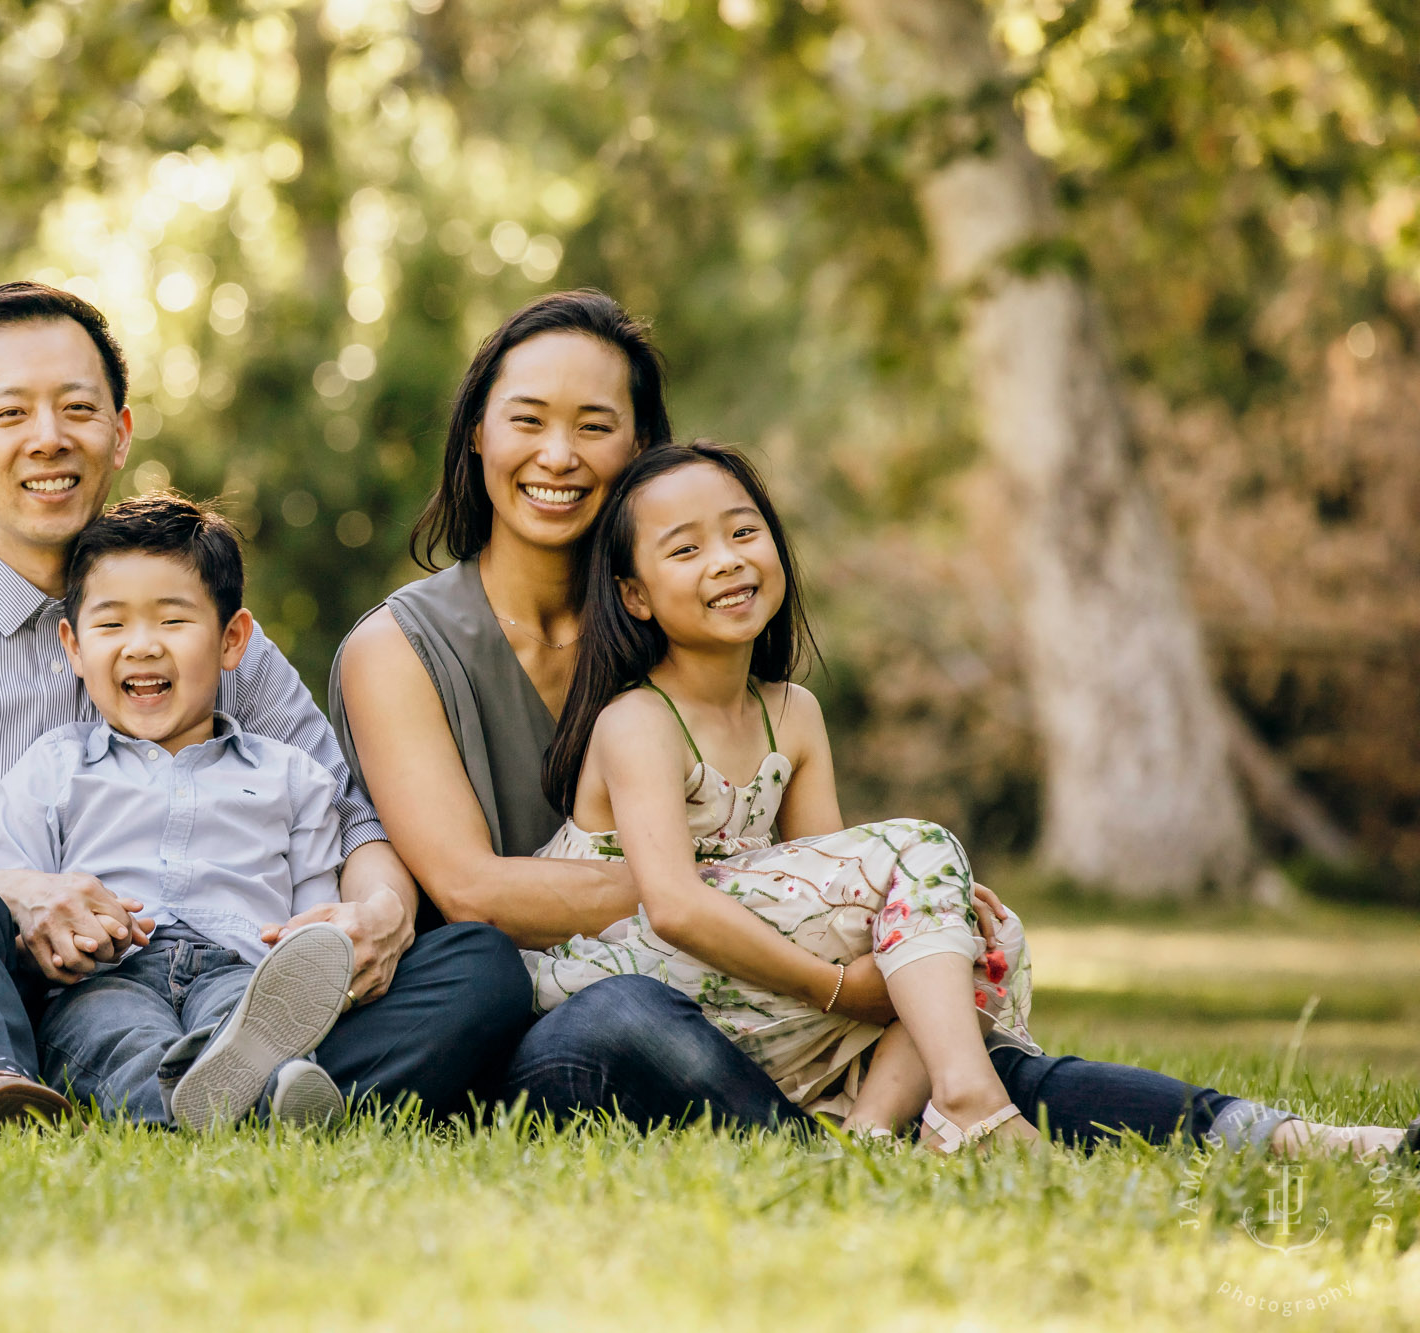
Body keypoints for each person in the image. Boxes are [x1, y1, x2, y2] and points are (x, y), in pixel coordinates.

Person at [331, 287, 1409, 1157]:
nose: (557, 454)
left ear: (640, 452)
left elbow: (810, 871)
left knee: (948, 1008)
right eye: (526, 421)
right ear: (477, 433)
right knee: (633, 1022)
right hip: (545, 1022)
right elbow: (468, 890)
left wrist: (891, 923)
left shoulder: (696, 657)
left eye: (594, 426)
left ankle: (1283, 1135)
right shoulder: (401, 649)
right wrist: (738, 888)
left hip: (725, 981)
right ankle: (838, 1158)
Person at [0, 280, 530, 1128]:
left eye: (77, 408)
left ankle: (224, 1093)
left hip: (224, 992)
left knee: (478, 964)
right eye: (10, 415)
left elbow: (351, 814)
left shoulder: (206, 625)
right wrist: (24, 898)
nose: (48, 438)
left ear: (119, 432)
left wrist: (377, 917)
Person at [534, 441, 1035, 1149]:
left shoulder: (792, 711)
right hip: (634, 972)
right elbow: (673, 905)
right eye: (686, 550)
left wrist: (928, 914)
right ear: (634, 594)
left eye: (743, 532)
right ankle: (970, 1100)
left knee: (986, 937)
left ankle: (864, 1136)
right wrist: (836, 987)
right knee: (928, 856)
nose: (728, 560)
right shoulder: (637, 721)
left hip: (747, 976)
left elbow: (828, 877)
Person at [0, 493, 356, 1131]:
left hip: (242, 971)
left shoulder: (294, 778)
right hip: (106, 976)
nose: (142, 646)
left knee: (249, 1026)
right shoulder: (53, 768)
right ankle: (246, 1107)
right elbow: (10, 894)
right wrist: (58, 938)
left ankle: (256, 1085)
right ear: (73, 647)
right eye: (112, 624)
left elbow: (318, 923)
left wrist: (314, 951)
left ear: (232, 639)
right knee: (115, 1036)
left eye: (173, 621)